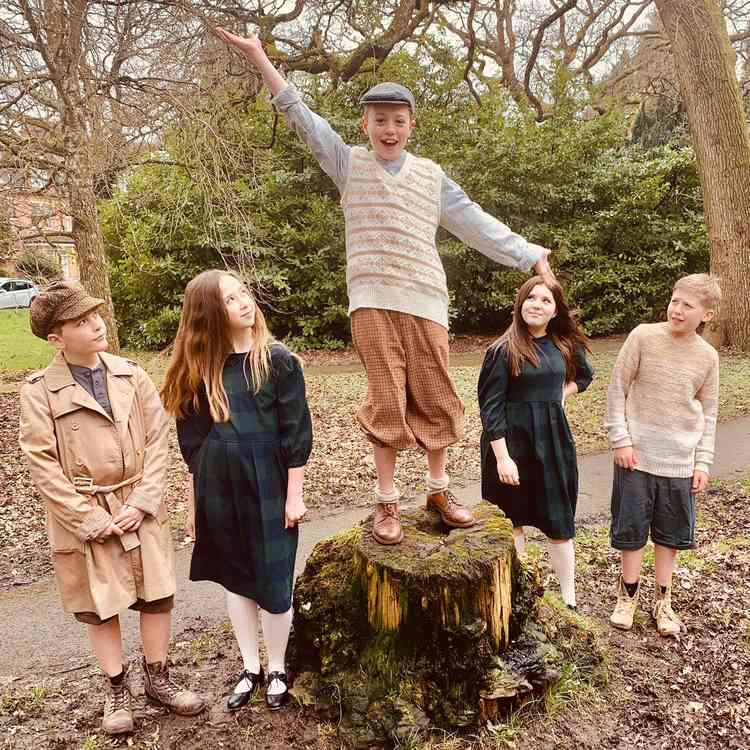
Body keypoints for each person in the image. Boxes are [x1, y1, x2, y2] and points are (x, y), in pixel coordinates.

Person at [214, 27, 555, 545]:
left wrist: (529, 254)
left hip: (427, 303)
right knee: (388, 401)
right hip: (372, 303)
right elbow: (300, 115)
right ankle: (387, 501)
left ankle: (438, 491)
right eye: (379, 121)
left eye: (398, 121)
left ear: (411, 125)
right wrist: (261, 56)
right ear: (366, 124)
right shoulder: (349, 163)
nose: (388, 129)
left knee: (437, 396)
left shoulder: (431, 176)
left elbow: (476, 223)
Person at [18, 282, 205, 736]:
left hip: (138, 506)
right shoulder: (40, 391)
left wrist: (143, 500)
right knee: (99, 605)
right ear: (56, 339)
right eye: (81, 322)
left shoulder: (130, 374)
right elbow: (41, 464)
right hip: (84, 515)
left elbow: (157, 439)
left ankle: (159, 680)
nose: (97, 324)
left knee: (156, 594)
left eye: (96, 316)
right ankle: (116, 687)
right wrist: (89, 519)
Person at [161, 269, 312, 711]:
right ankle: (251, 668)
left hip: (269, 480)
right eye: (231, 299)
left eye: (244, 293)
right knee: (237, 582)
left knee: (274, 582)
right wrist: (195, 507)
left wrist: (294, 494)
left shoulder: (278, 360)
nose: (245, 302)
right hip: (218, 485)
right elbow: (192, 446)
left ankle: (278, 667)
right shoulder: (200, 367)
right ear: (210, 312)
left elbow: (296, 433)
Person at [606, 273, 721, 637]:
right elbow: (617, 388)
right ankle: (628, 596)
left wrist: (702, 461)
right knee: (631, 531)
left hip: (680, 463)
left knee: (669, 536)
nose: (677, 309)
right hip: (636, 457)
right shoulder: (642, 336)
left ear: (707, 314)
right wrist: (620, 440)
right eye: (675, 300)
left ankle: (662, 600)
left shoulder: (708, 357)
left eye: (688, 305)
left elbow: (710, 412)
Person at [478, 276, 593, 609]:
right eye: (532, 298)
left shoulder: (563, 344)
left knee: (559, 522)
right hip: (510, 445)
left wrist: (560, 393)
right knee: (512, 520)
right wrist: (502, 458)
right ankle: (518, 594)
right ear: (520, 303)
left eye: (546, 300)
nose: (537, 305)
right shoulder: (501, 350)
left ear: (555, 309)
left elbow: (584, 377)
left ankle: (569, 599)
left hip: (554, 441)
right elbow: (491, 408)